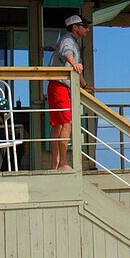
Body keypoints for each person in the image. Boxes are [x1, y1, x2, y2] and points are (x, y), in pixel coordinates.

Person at [47, 14, 91, 170]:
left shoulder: (72, 41)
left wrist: (84, 86)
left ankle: (56, 163)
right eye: (84, 26)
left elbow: (73, 69)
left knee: (58, 125)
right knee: (65, 123)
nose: (87, 29)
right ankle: (63, 162)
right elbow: (67, 53)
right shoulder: (68, 40)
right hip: (59, 86)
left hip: (59, 86)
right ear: (75, 27)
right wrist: (75, 63)